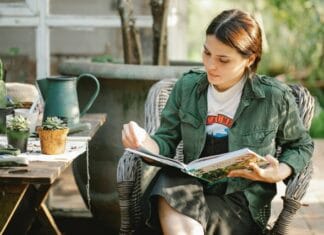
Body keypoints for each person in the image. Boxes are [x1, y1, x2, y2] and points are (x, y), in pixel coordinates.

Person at [122, 9, 313, 235]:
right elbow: (165, 140)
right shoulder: (188, 87)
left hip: (241, 204)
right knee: (167, 180)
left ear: (249, 59)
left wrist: (278, 172)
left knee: (172, 210)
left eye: (223, 59)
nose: (211, 65)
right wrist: (143, 142)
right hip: (192, 192)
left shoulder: (274, 98)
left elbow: (301, 145)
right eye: (206, 53)